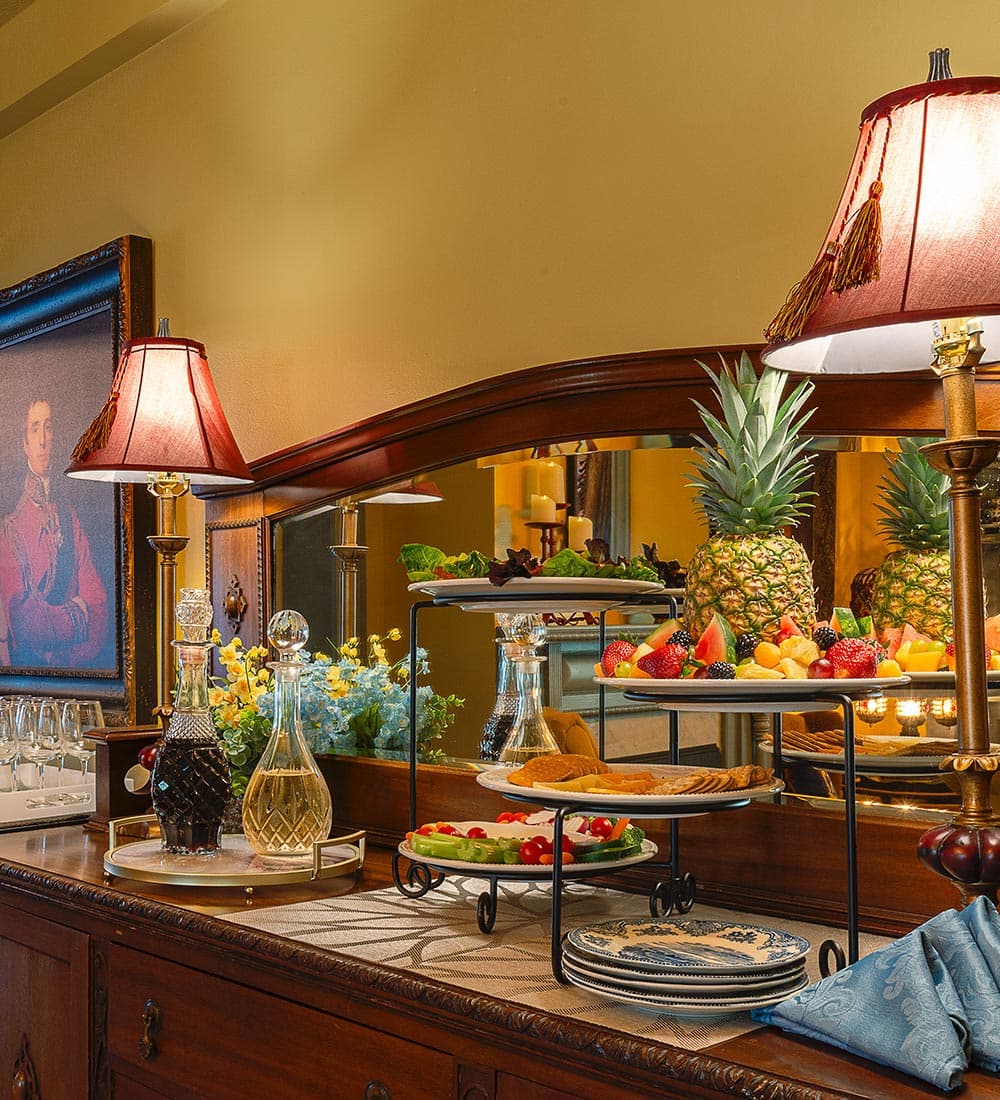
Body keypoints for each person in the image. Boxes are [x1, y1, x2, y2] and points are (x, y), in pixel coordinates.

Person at [0, 398, 109, 668]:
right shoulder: (11, 526)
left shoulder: (69, 517)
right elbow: (26, 624)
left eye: (48, 428)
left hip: (76, 670)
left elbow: (98, 607)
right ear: (24, 442)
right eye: (34, 428)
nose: (43, 441)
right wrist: (76, 613)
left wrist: (63, 653)